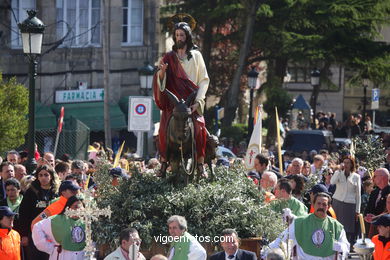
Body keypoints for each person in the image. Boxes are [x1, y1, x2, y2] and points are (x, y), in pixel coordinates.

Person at [153, 15, 209, 176]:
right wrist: (162, 73)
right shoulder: (168, 57)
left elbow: (204, 80)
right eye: (177, 35)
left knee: (200, 127)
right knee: (163, 128)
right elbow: (161, 82)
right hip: (173, 103)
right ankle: (163, 163)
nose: (179, 38)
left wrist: (198, 102)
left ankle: (200, 164)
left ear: (188, 36)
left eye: (182, 35)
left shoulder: (196, 56)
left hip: (191, 101)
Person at [265, 193, 350, 259]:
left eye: (324, 204)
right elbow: (283, 239)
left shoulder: (337, 226)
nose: (321, 206)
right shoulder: (300, 222)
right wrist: (266, 251)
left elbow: (346, 246)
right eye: (318, 203)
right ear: (313, 205)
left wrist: (341, 247)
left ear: (329, 207)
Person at [19, 165, 59, 260]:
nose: (43, 178)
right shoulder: (31, 191)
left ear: (51, 176)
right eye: (40, 175)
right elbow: (24, 214)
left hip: (53, 233)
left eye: (46, 175)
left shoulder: (56, 192)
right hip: (35, 232)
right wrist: (24, 235)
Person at [32, 196, 85, 260]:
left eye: (81, 207)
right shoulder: (54, 211)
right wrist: (50, 248)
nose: (78, 209)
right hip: (61, 255)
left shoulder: (87, 221)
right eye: (75, 207)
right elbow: (37, 226)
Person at [331, 156, 361, 244]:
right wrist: (339, 171)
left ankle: (345, 247)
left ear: (352, 164)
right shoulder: (338, 173)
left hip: (350, 204)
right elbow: (332, 182)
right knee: (335, 226)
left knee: (347, 229)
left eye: (348, 163)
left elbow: (358, 194)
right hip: (337, 202)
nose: (346, 164)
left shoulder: (357, 177)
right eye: (344, 162)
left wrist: (357, 210)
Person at [365, 168, 390, 238]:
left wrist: (375, 218)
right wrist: (366, 216)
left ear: (383, 178)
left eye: (375, 176)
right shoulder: (374, 192)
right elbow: (368, 207)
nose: (372, 178)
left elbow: (388, 211)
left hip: (384, 230)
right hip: (370, 228)